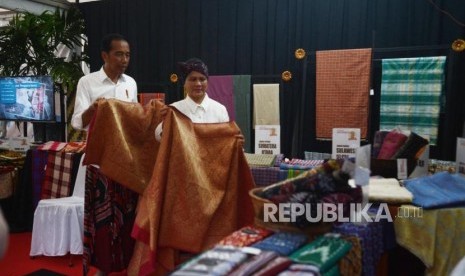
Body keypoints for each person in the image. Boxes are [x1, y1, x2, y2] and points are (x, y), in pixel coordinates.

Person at [71, 33, 138, 131]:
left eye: (127, 55)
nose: (124, 60)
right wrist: (94, 108)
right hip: (98, 143)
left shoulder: (130, 82)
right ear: (105, 56)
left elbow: (135, 117)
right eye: (119, 54)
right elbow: (77, 123)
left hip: (126, 143)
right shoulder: (86, 82)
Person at [155, 58, 229, 140]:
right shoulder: (174, 109)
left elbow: (225, 141)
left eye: (202, 79)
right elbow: (159, 138)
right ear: (184, 83)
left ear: (207, 82)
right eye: (193, 79)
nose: (198, 84)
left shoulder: (220, 110)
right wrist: (166, 122)